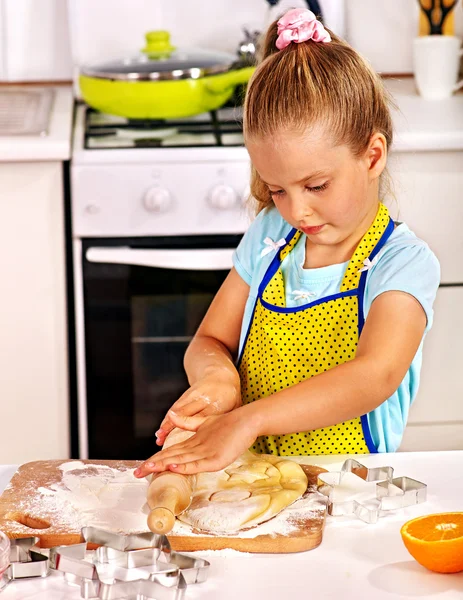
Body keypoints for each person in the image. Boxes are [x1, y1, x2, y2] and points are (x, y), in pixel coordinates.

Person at [134, 8, 440, 479]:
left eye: (316, 186)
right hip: (252, 483)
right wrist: (219, 379)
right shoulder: (269, 237)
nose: (296, 211)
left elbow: (373, 376)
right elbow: (209, 340)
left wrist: (247, 419)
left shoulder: (402, 264)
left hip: (346, 495)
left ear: (372, 155)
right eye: (277, 189)